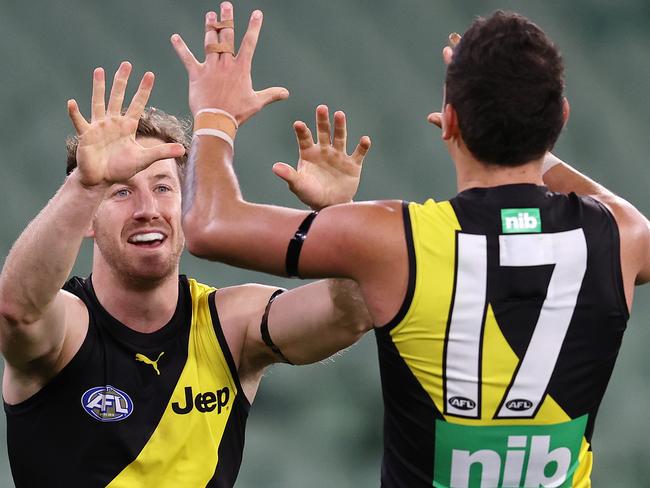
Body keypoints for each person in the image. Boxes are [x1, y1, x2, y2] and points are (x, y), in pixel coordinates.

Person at [177, 5, 650, 487]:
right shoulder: (623, 237)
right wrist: (522, 119)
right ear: (561, 118)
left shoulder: (392, 238)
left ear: (449, 122)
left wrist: (216, 114)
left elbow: (210, 226)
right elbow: (621, 210)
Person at [0, 26, 374, 488]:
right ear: (87, 220)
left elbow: (350, 316)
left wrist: (336, 216)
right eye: (120, 192)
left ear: (185, 203)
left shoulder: (230, 325)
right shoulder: (69, 327)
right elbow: (16, 313)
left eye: (162, 188)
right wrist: (85, 183)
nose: (148, 210)